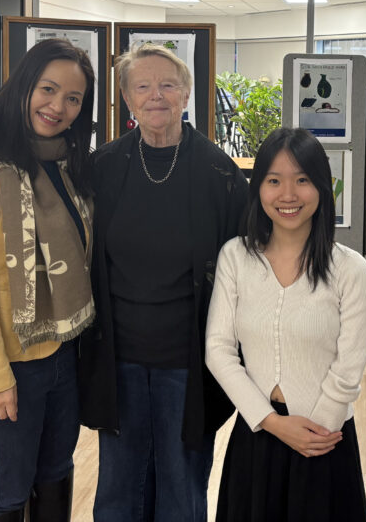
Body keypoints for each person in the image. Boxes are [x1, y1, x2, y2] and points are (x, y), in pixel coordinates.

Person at [78, 43, 248, 522]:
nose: (156, 96)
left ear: (187, 94)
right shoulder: (102, 168)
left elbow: (244, 270)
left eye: (168, 85)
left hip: (190, 360)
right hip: (118, 357)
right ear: (127, 99)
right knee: (118, 487)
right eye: (143, 86)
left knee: (181, 485)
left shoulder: (221, 174)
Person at [0, 38, 96, 522]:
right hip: (9, 360)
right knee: (7, 488)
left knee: (54, 472)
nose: (59, 107)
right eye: (48, 89)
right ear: (23, 86)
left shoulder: (67, 165)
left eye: (73, 98)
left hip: (63, 350)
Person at [205, 127, 366, 521]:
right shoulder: (236, 257)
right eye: (274, 181)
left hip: (324, 442)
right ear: (258, 188)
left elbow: (348, 368)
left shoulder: (350, 270)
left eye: (302, 180)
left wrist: (315, 434)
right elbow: (218, 350)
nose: (288, 195)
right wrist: (271, 423)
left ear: (322, 187)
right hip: (257, 435)